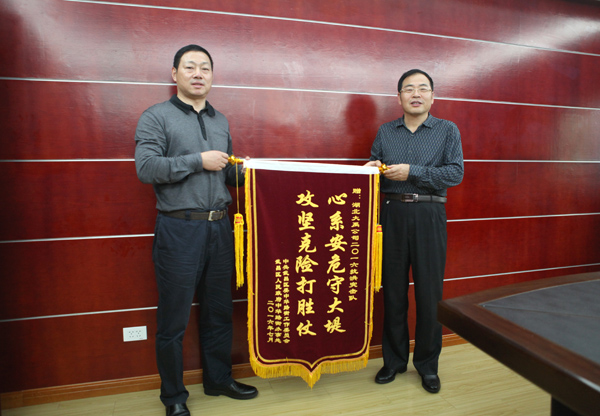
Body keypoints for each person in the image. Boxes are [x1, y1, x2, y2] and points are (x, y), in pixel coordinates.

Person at [135, 44, 258, 416]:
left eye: (205, 67)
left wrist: (250, 171)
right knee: (173, 319)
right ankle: (173, 397)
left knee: (219, 311)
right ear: (175, 74)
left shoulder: (221, 120)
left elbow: (227, 173)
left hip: (220, 228)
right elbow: (146, 168)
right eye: (190, 67)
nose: (198, 73)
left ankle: (218, 380)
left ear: (212, 75)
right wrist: (197, 160)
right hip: (179, 229)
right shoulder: (156, 116)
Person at [365, 69, 464, 394]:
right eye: (409, 89)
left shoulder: (447, 130)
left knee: (429, 294)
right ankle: (393, 362)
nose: (416, 94)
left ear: (432, 96)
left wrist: (412, 172)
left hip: (429, 213)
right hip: (391, 214)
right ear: (399, 97)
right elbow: (376, 170)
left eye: (423, 88)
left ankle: (427, 366)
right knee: (392, 292)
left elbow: (455, 173)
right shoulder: (385, 131)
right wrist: (371, 171)